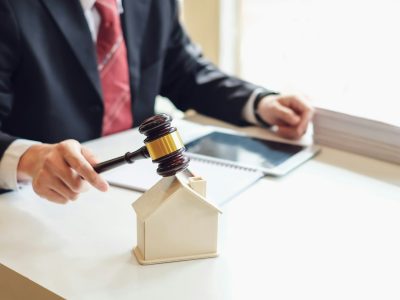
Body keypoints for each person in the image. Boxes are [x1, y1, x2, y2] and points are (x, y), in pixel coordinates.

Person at [0, 0, 313, 204]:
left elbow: (184, 70)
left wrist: (259, 103)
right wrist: (29, 158)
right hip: (41, 203)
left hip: (136, 191)